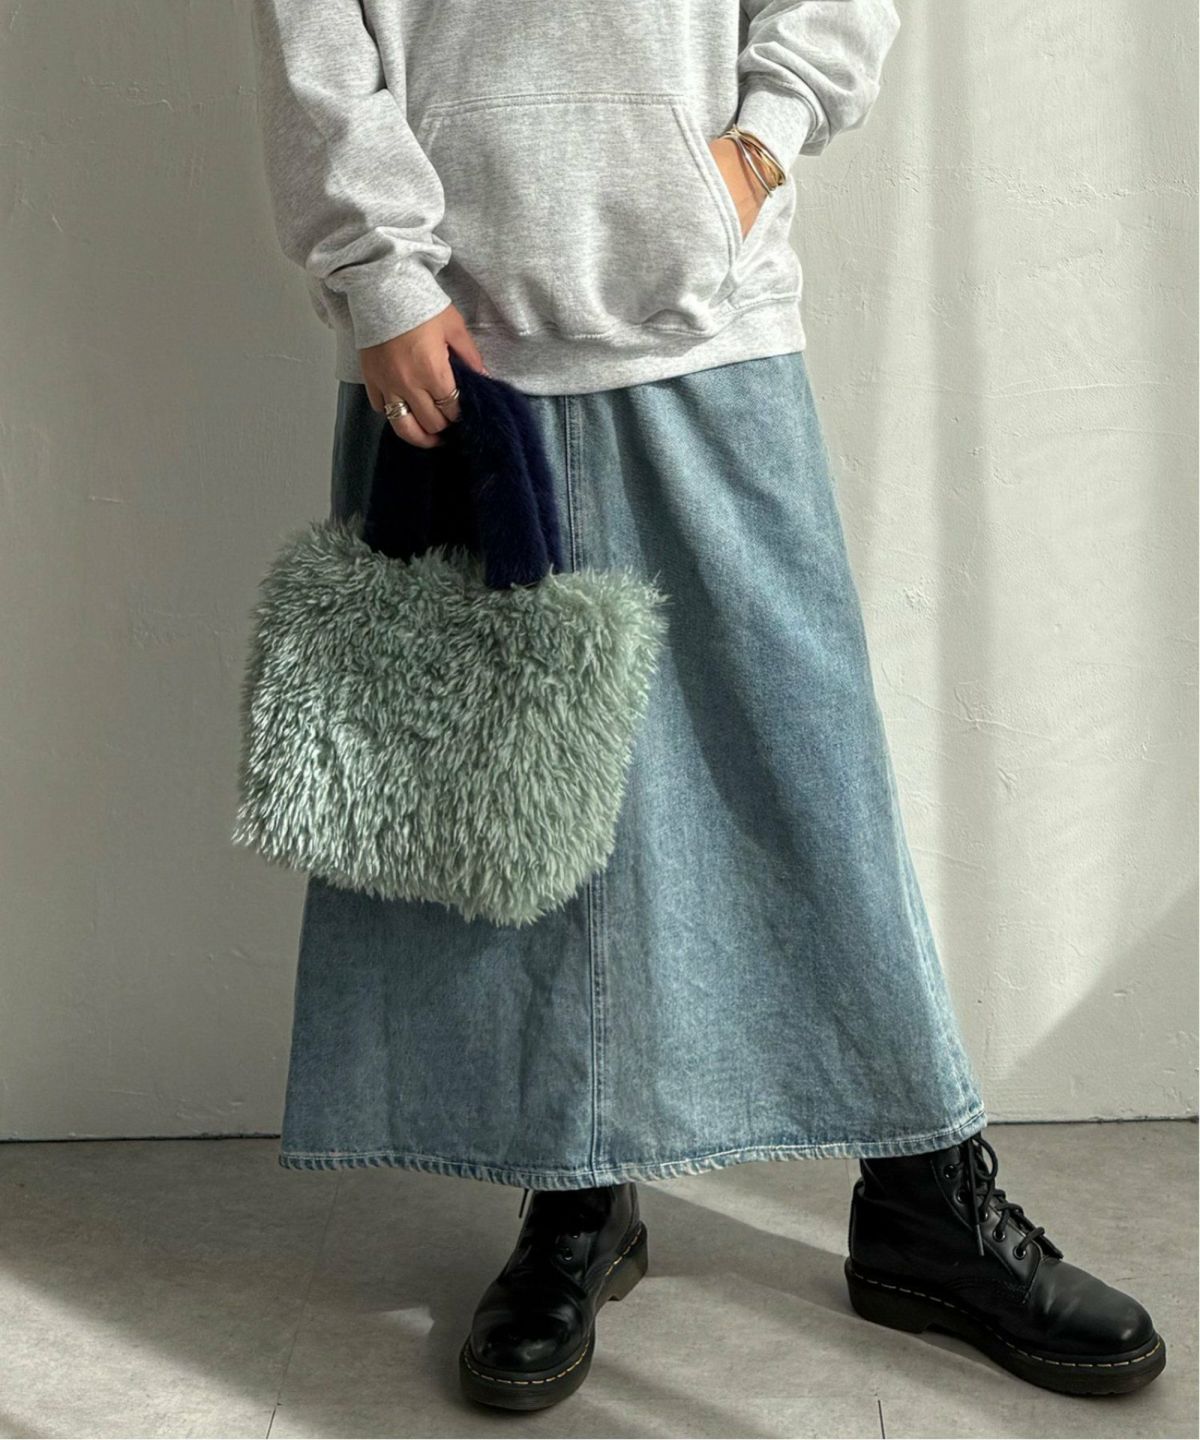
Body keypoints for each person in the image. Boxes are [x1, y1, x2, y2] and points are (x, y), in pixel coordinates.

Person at [248, 0, 1166, 1412]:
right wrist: (378, 268)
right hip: (455, 333)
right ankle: (574, 1193)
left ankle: (922, 1190)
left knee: (807, 772)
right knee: (521, 800)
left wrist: (758, 142)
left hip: (706, 311)